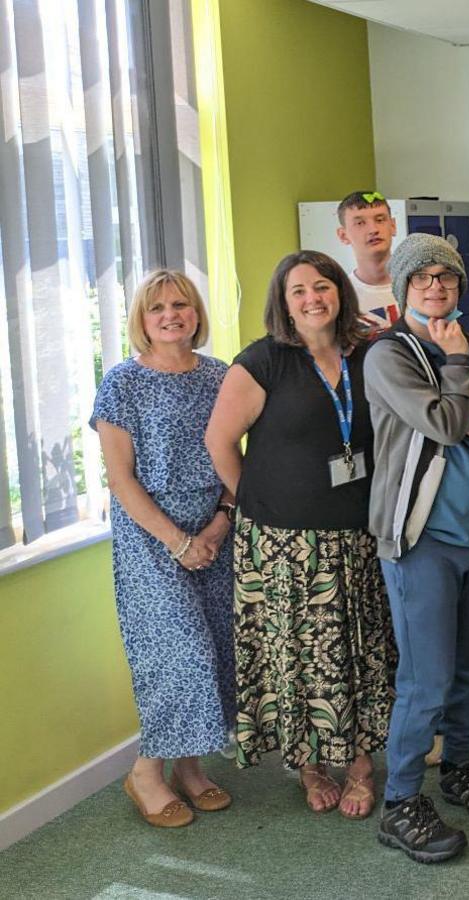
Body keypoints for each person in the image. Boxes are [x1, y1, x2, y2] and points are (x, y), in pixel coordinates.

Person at [205, 251, 396, 820]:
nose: (312, 298)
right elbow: (220, 442)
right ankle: (309, 765)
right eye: (298, 291)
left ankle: (361, 764)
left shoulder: (368, 354)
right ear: (283, 303)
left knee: (359, 651)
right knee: (298, 660)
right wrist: (258, 503)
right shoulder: (261, 362)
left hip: (358, 535)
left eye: (322, 286)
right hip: (283, 546)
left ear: (340, 291)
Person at [366, 233, 469, 863]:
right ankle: (400, 800)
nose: (436, 287)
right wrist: (465, 392)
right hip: (420, 540)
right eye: (422, 278)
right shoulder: (389, 356)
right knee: (425, 679)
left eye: (447, 278)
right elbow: (446, 424)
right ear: (402, 291)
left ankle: (458, 766)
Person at [91, 270, 234, 828]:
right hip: (150, 536)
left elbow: (234, 456)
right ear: (142, 321)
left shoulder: (221, 376)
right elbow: (120, 478)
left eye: (181, 305)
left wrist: (220, 523)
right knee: (179, 656)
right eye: (158, 309)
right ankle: (146, 773)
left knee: (215, 648)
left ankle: (189, 771)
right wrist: (176, 541)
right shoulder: (122, 383)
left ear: (196, 313)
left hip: (213, 529)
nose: (171, 314)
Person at [336, 189, 400, 328]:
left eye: (380, 220)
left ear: (393, 226)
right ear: (343, 235)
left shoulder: (420, 286)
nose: (373, 229)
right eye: (360, 223)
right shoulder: (340, 296)